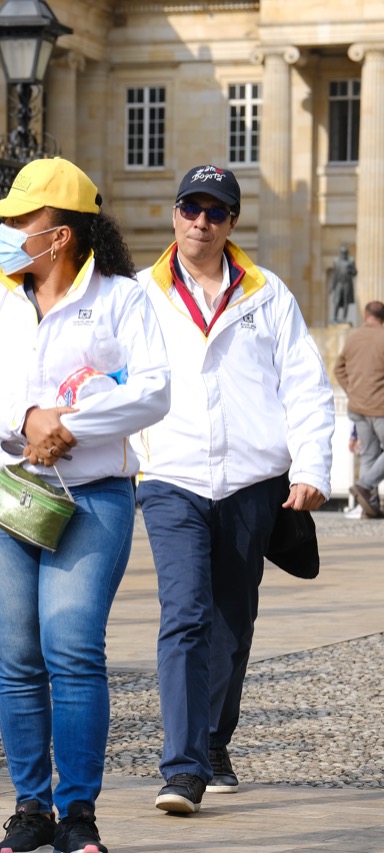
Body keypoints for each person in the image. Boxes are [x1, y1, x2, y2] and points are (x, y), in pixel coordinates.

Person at [0, 157, 170, 853]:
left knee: (72, 646)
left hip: (92, 494)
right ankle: (30, 806)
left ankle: (79, 812)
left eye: (20, 219)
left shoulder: (123, 300)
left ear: (61, 233)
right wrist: (26, 418)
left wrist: (68, 425)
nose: (7, 232)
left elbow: (152, 391)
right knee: (16, 654)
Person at [136, 164, 334, 816]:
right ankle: (183, 766)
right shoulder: (141, 293)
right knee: (185, 614)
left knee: (232, 619)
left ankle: (216, 739)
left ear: (231, 222)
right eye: (191, 208)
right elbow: (111, 379)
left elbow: (303, 384)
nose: (201, 221)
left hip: (251, 481)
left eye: (214, 211)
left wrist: (311, 466)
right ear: (174, 214)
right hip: (171, 477)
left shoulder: (266, 292)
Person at [333, 300, 384, 518]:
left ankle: (369, 508)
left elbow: (338, 368)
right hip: (380, 406)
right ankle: (365, 485)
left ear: (365, 316)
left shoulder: (353, 338)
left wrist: (352, 390)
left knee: (369, 455)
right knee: (370, 456)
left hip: (358, 406)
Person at [329, 243, 357, 325]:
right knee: (337, 301)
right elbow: (335, 274)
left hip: (347, 283)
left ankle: (344, 318)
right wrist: (332, 286)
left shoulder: (351, 260)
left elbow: (355, 272)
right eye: (342, 253)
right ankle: (334, 317)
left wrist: (350, 271)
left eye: (345, 253)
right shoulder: (336, 261)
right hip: (339, 283)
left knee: (346, 301)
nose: (344, 255)